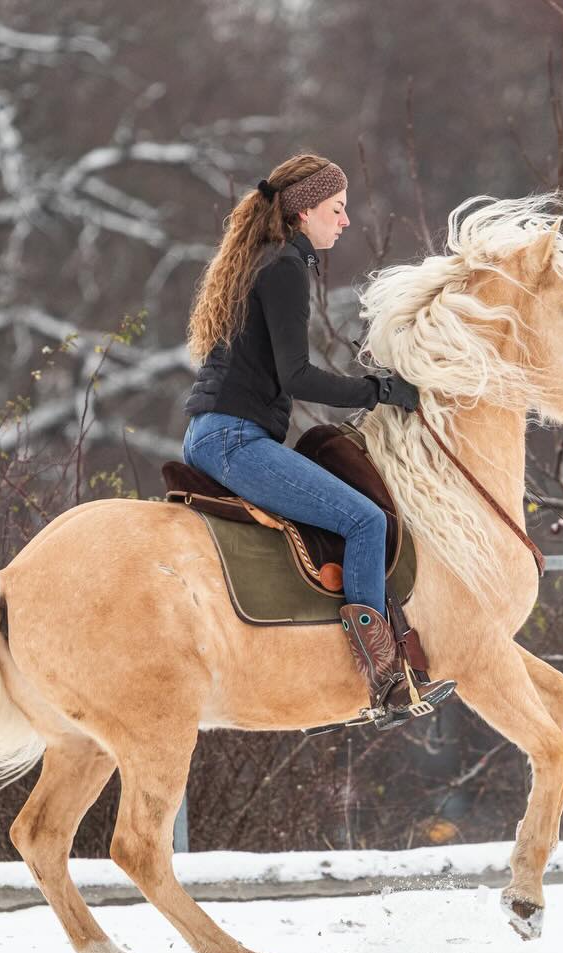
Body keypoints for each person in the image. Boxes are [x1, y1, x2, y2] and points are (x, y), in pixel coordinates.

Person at [182, 153, 453, 727]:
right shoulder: (282, 267)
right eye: (337, 209)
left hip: (218, 433)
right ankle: (383, 679)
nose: (346, 221)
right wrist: (378, 390)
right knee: (365, 521)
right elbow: (296, 377)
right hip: (233, 439)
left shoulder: (264, 260)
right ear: (305, 212)